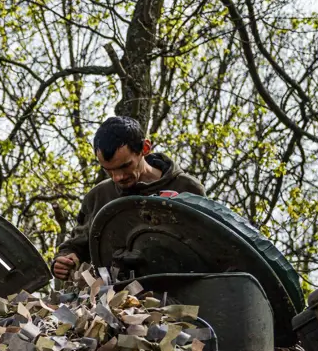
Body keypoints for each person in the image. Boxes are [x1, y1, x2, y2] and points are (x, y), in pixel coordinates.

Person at [51, 116, 205, 280]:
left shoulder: (187, 188)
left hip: (183, 291)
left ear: (145, 148)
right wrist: (65, 260)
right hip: (117, 298)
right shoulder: (99, 196)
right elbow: (77, 245)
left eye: (125, 166)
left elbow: (207, 246)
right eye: (109, 170)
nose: (118, 177)